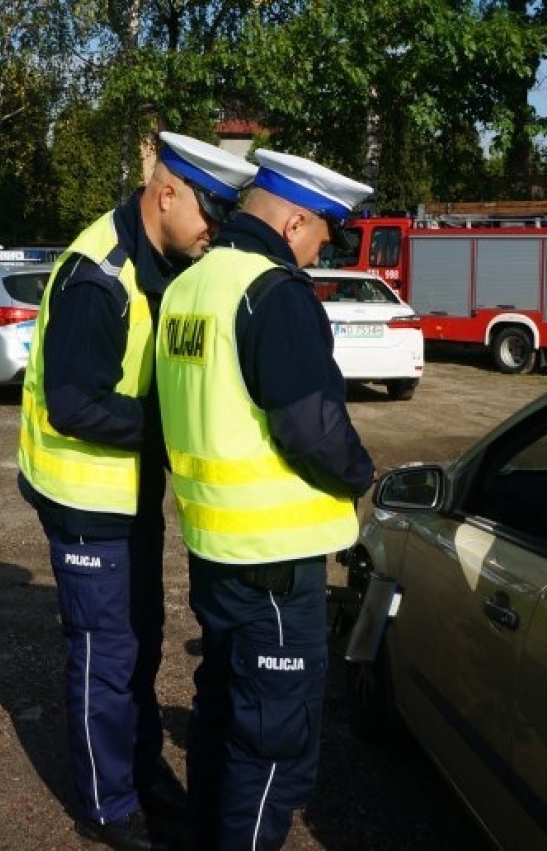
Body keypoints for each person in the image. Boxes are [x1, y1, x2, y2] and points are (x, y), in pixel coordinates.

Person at [17, 131, 257, 850]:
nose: (214, 228)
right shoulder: (101, 274)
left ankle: (141, 771)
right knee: (105, 657)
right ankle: (107, 807)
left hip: (130, 499)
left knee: (142, 644)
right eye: (209, 210)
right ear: (167, 192)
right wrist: (170, 431)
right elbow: (72, 403)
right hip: (86, 502)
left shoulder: (163, 261)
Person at [154, 149, 377, 850]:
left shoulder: (191, 287)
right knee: (273, 750)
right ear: (295, 221)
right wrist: (361, 474)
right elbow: (313, 429)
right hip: (275, 566)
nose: (318, 253)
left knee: (223, 717)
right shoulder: (272, 292)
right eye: (321, 236)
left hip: (216, 551)